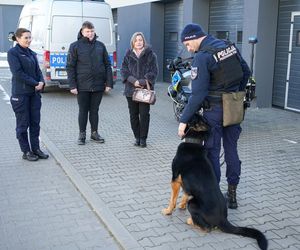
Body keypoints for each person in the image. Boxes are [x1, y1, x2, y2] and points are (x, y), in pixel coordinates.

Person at [178, 23, 251, 209]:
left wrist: (184, 120)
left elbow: (198, 95)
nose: (188, 49)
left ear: (193, 38)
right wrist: (237, 94)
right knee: (231, 149)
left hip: (215, 110)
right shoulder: (228, 46)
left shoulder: (202, 57)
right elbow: (246, 72)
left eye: (187, 45)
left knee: (212, 152)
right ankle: (232, 195)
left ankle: (214, 196)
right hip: (234, 106)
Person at [66, 21, 113, 145]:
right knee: (83, 110)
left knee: (95, 110)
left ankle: (94, 133)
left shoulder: (100, 46)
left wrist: (109, 83)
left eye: (92, 31)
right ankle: (82, 135)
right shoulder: (75, 46)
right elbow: (70, 67)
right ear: (82, 32)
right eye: (87, 31)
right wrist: (72, 85)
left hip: (98, 85)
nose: (90, 33)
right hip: (82, 85)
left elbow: (108, 65)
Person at [7, 28, 49, 161]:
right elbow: (18, 73)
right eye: (26, 37)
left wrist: (41, 81)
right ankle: (26, 151)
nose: (29, 40)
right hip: (21, 95)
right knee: (23, 124)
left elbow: (38, 70)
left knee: (35, 123)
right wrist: (35, 83)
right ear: (18, 38)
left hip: (34, 94)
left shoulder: (31, 53)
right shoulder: (13, 53)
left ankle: (36, 149)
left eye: (30, 37)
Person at [121, 32, 158, 148]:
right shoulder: (128, 55)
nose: (138, 42)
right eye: (136, 40)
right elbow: (123, 71)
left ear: (144, 41)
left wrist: (142, 81)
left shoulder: (151, 55)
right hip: (130, 90)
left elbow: (154, 71)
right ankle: (137, 137)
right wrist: (133, 81)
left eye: (140, 40)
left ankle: (143, 139)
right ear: (133, 42)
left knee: (144, 115)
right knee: (133, 115)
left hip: (144, 91)